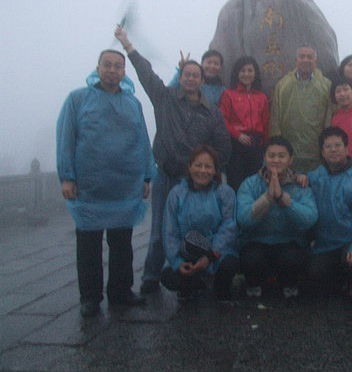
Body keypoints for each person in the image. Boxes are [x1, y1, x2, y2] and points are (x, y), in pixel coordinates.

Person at [114, 26, 231, 295]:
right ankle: (151, 277)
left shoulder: (211, 112)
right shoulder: (165, 98)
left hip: (195, 181)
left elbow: (223, 144)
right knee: (158, 230)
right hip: (167, 175)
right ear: (182, 76)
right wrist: (128, 46)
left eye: (195, 76)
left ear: (202, 80)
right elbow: (146, 75)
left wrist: (214, 171)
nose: (191, 79)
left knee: (194, 229)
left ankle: (196, 270)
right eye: (187, 74)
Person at [57, 49, 153, 317]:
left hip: (124, 185)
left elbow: (142, 140)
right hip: (90, 186)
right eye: (107, 65)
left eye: (117, 66)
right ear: (97, 68)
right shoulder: (78, 100)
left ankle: (121, 291)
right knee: (89, 244)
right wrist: (67, 176)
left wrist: (146, 176)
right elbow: (66, 138)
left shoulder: (133, 103)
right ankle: (90, 297)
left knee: (122, 243)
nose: (112, 70)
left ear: (124, 71)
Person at [237, 136, 318, 299]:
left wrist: (284, 199)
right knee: (251, 259)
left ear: (290, 160)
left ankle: (289, 285)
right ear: (264, 158)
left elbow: (310, 219)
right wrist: (266, 198)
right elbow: (243, 219)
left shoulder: (300, 184)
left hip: (289, 242)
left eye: (281, 156)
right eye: (271, 155)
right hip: (256, 241)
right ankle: (254, 284)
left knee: (291, 259)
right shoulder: (250, 184)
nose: (276, 160)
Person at [306, 127, 352, 302]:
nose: (333, 150)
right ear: (322, 152)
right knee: (315, 275)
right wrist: (299, 178)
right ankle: (340, 280)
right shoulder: (315, 177)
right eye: (328, 146)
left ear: (347, 149)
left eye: (338, 145)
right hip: (326, 243)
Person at [161, 146, 239, 301]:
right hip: (187, 252)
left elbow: (229, 227)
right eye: (198, 165)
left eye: (208, 166)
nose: (202, 171)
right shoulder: (177, 194)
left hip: (216, 253)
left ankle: (219, 287)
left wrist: (210, 256)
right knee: (168, 277)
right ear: (189, 167)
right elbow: (170, 231)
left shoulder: (225, 192)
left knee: (230, 264)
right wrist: (178, 262)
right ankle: (193, 285)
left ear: (215, 170)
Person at [269, 46, 332, 173]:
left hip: (315, 151)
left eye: (310, 57)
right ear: (295, 61)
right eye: (302, 57)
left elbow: (329, 117)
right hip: (289, 152)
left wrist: (327, 143)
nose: (306, 60)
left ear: (316, 61)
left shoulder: (326, 85)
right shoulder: (283, 85)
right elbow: (275, 117)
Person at [219, 56, 269, 191]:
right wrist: (238, 135)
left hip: (256, 145)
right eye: (243, 71)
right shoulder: (228, 94)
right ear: (237, 73)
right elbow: (223, 119)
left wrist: (265, 146)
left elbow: (265, 123)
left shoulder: (262, 97)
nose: (246, 74)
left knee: (256, 184)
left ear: (255, 73)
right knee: (236, 183)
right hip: (236, 144)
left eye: (250, 70)